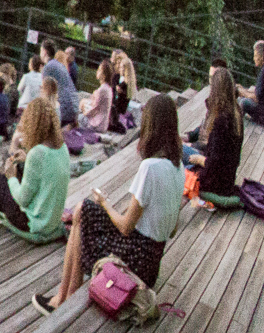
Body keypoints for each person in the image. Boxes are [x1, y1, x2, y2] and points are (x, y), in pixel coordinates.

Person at [36, 94, 186, 313]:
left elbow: (125, 228)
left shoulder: (150, 167)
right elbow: (171, 230)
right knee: (83, 212)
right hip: (152, 264)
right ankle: (64, 296)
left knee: (85, 210)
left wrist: (105, 203)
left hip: (135, 261)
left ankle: (63, 298)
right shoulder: (178, 167)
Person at [0, 97, 69, 240]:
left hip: (34, 224)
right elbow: (47, 171)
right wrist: (26, 157)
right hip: (50, 221)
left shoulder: (38, 153)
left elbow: (23, 200)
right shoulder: (62, 148)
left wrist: (11, 176)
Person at [189, 67, 243, 199]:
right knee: (187, 149)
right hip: (227, 180)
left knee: (179, 151)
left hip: (213, 183)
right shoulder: (236, 114)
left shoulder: (221, 120)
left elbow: (214, 164)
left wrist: (199, 159)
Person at [40, 40, 78, 126]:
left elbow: (46, 94)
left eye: (40, 51)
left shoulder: (48, 68)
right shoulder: (60, 65)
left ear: (44, 52)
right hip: (73, 109)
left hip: (63, 111)